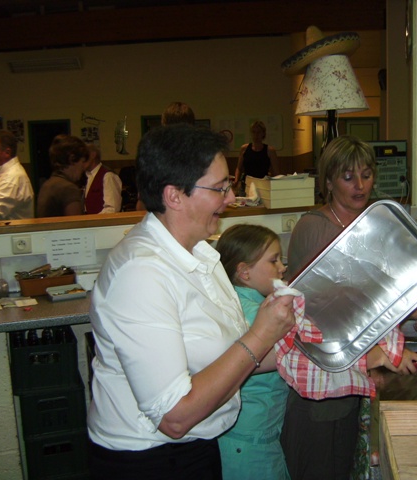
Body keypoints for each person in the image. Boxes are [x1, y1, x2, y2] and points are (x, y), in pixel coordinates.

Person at [86, 123, 296, 480]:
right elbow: (175, 417)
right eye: (220, 188)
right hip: (150, 459)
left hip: (197, 445)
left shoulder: (200, 253)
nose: (230, 198)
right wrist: (261, 335)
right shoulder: (142, 274)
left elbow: (226, 355)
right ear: (174, 196)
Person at [280, 135, 417, 480]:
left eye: (366, 174)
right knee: (321, 467)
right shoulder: (315, 228)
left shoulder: (370, 224)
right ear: (328, 181)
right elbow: (336, 307)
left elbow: (371, 301)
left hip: (351, 374)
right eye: (348, 177)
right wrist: (416, 313)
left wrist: (406, 323)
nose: (360, 185)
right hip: (321, 381)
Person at [215, 224, 291, 480]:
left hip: (251, 436)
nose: (282, 267)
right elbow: (293, 355)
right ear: (244, 272)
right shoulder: (252, 314)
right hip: (249, 440)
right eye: (274, 261)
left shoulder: (246, 302)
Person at [36, 134, 88, 217]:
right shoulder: (69, 189)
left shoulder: (47, 185)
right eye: (82, 161)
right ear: (72, 159)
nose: (84, 167)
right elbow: (76, 226)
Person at [234, 120, 280, 195]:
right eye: (253, 132)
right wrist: (236, 180)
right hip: (246, 185)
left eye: (258, 132)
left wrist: (277, 186)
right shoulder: (244, 149)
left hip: (263, 185)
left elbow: (276, 172)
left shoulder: (270, 150)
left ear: (263, 134)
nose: (256, 135)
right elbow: (239, 168)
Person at [83, 143, 122, 214]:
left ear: (93, 155)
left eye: (83, 156)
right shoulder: (83, 177)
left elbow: (112, 209)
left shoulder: (108, 176)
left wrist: (93, 220)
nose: (81, 160)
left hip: (102, 223)